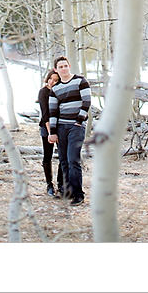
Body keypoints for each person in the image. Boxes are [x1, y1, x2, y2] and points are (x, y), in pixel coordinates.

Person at [47, 56, 91, 205]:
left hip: (76, 127)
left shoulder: (80, 81)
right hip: (61, 127)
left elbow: (86, 102)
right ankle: (68, 191)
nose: (64, 69)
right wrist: (52, 132)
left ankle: (79, 194)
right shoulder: (55, 89)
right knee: (64, 160)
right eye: (60, 67)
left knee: (73, 159)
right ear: (56, 70)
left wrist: (79, 121)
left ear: (69, 66)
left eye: (66, 66)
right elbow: (52, 111)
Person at [36, 69, 62, 197]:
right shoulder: (43, 92)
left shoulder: (59, 91)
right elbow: (45, 115)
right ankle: (49, 184)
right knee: (48, 156)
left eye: (56, 80)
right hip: (47, 127)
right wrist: (51, 133)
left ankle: (61, 184)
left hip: (61, 127)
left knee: (63, 156)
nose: (53, 82)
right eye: (51, 79)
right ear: (47, 78)